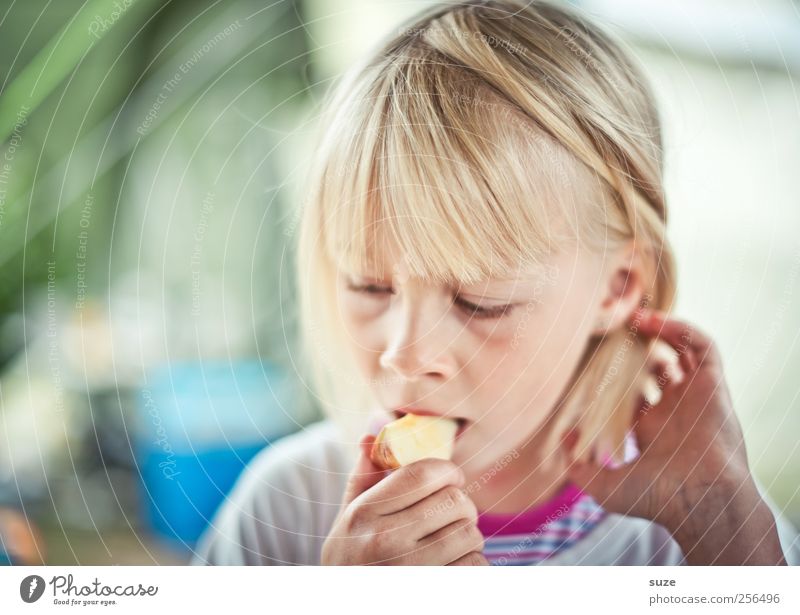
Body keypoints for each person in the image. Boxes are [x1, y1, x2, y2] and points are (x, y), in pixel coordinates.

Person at [192, 0, 799, 565]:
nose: (404, 353)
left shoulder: (704, 537)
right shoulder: (282, 510)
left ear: (616, 288)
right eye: (370, 286)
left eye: (480, 302)